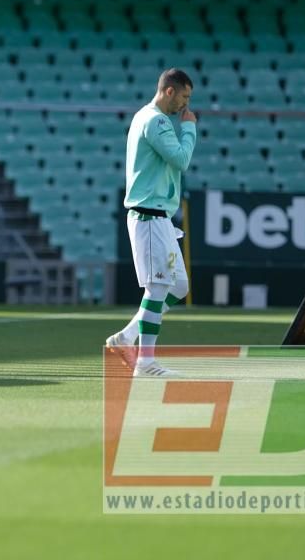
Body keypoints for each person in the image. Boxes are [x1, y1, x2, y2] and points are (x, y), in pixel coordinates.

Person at [105, 68, 197, 378]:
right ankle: (145, 363)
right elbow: (181, 160)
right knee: (158, 287)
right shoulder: (156, 121)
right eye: (184, 96)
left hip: (159, 218)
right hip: (149, 216)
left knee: (179, 286)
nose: (185, 104)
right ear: (170, 91)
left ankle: (127, 337)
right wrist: (190, 129)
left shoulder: (147, 117)